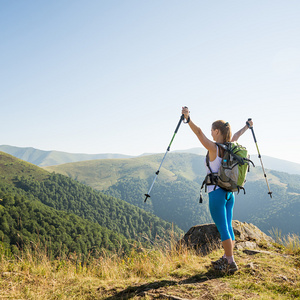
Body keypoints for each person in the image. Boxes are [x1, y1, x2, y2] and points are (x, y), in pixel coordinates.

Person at [181, 106, 253, 273]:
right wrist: (247, 127)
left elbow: (198, 133)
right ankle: (227, 257)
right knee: (227, 225)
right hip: (229, 193)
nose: (210, 133)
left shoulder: (214, 148)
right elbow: (237, 135)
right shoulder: (230, 146)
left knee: (223, 228)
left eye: (212, 131)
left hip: (217, 193)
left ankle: (230, 263)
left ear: (217, 131)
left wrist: (188, 118)